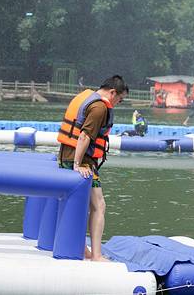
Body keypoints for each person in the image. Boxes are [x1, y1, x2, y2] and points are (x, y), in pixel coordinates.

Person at [57, 75, 128, 261]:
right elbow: (84, 137)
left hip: (68, 155)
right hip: (81, 161)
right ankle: (96, 255)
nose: (118, 103)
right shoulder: (99, 108)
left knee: (82, 205)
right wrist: (78, 165)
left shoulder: (87, 96)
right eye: (120, 99)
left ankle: (83, 249)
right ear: (113, 92)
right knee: (98, 205)